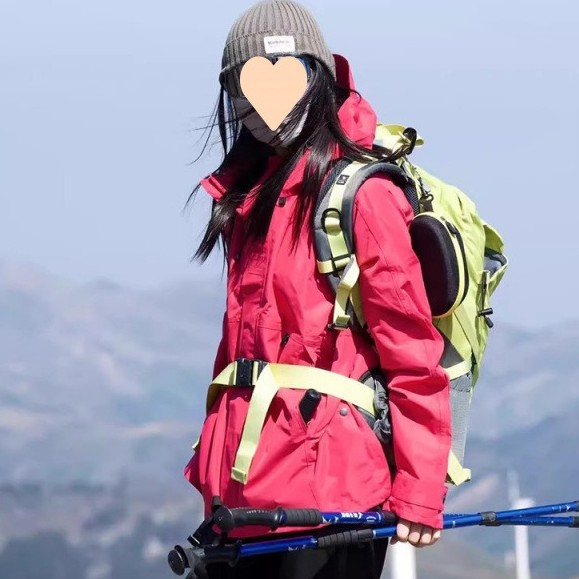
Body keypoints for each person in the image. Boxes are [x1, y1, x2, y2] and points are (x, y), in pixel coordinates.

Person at [184, 1, 452, 577]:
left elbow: (412, 351)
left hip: (333, 500)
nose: (262, 105)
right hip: (243, 498)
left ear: (319, 78)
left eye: (285, 78)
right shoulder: (246, 199)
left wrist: (420, 490)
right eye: (243, 87)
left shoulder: (364, 196)